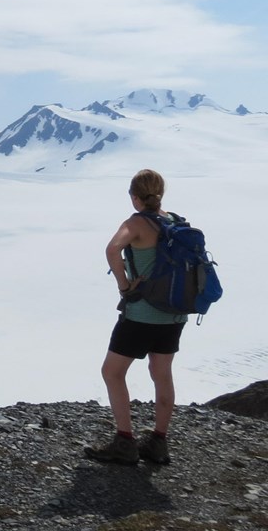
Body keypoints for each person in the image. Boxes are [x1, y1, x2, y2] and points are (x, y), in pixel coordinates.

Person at [84, 169, 187, 465]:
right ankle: (158, 442)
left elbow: (113, 249)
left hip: (141, 313)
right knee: (162, 372)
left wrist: (124, 285)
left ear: (135, 197)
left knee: (112, 372)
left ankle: (125, 442)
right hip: (174, 315)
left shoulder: (136, 223)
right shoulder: (175, 222)